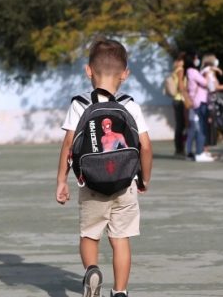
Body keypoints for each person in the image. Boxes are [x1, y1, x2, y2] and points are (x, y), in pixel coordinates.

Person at [55, 39, 153, 297]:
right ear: (125, 74)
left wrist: (61, 181)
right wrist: (144, 178)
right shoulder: (130, 105)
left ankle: (92, 270)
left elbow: (68, 145)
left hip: (91, 183)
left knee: (90, 235)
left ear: (88, 70)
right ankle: (120, 291)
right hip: (125, 183)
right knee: (121, 240)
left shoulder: (79, 104)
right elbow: (145, 146)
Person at [185, 52, 214, 162]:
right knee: (201, 128)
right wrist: (208, 74)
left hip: (198, 102)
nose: (197, 60)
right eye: (195, 58)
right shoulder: (193, 72)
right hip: (199, 102)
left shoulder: (191, 72)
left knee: (198, 128)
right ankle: (199, 153)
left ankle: (199, 151)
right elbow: (206, 83)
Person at [165, 53, 186, 157]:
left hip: (175, 100)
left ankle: (179, 148)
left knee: (179, 125)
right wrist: (186, 96)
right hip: (180, 99)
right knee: (181, 126)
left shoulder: (174, 70)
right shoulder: (180, 70)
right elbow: (181, 86)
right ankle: (180, 149)